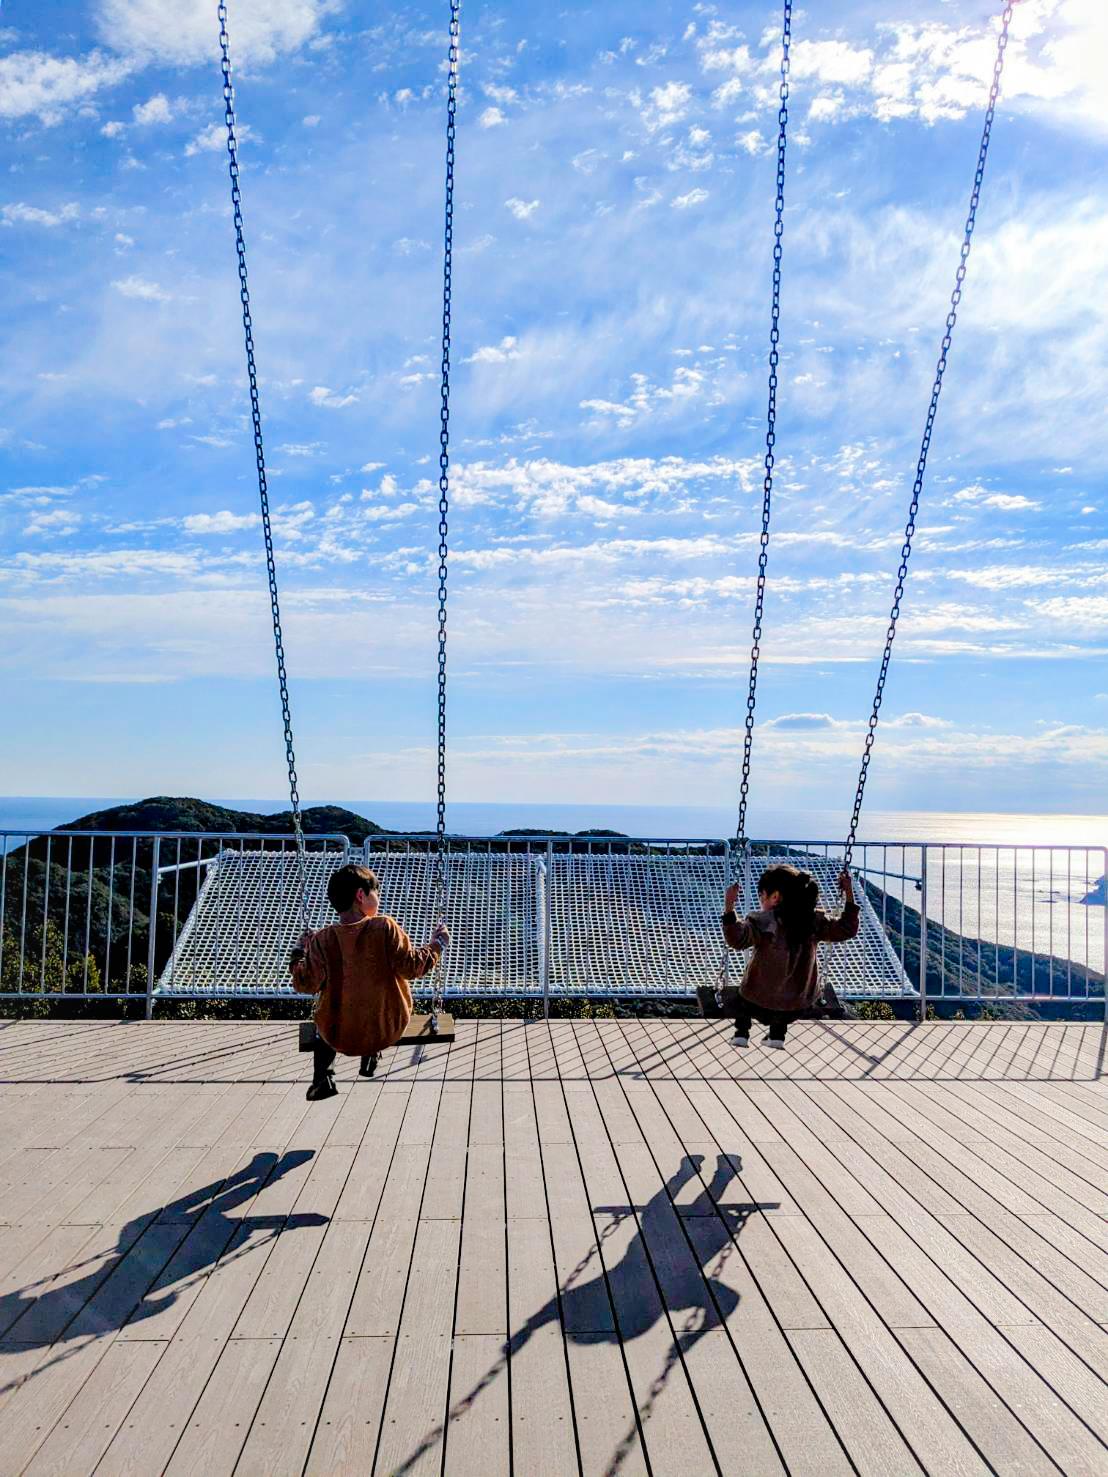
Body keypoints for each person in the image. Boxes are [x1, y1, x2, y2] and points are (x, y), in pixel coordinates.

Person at [289, 863, 450, 1100]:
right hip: (387, 1028)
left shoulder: (322, 940)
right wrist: (438, 945)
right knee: (374, 999)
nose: (379, 897)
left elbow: (303, 983)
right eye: (376, 893)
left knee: (327, 1019)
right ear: (360, 895)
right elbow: (413, 966)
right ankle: (370, 1057)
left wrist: (299, 953)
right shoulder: (384, 928)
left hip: (338, 1036)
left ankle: (323, 1079)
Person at [720, 863, 859, 1050]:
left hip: (756, 1001)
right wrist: (849, 892)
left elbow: (737, 939)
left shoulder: (763, 921)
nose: (761, 902)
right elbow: (846, 929)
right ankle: (777, 1036)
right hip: (796, 1005)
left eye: (762, 896)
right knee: (785, 996)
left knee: (741, 999)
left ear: (775, 897)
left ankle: (741, 1033)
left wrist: (729, 906)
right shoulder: (814, 922)